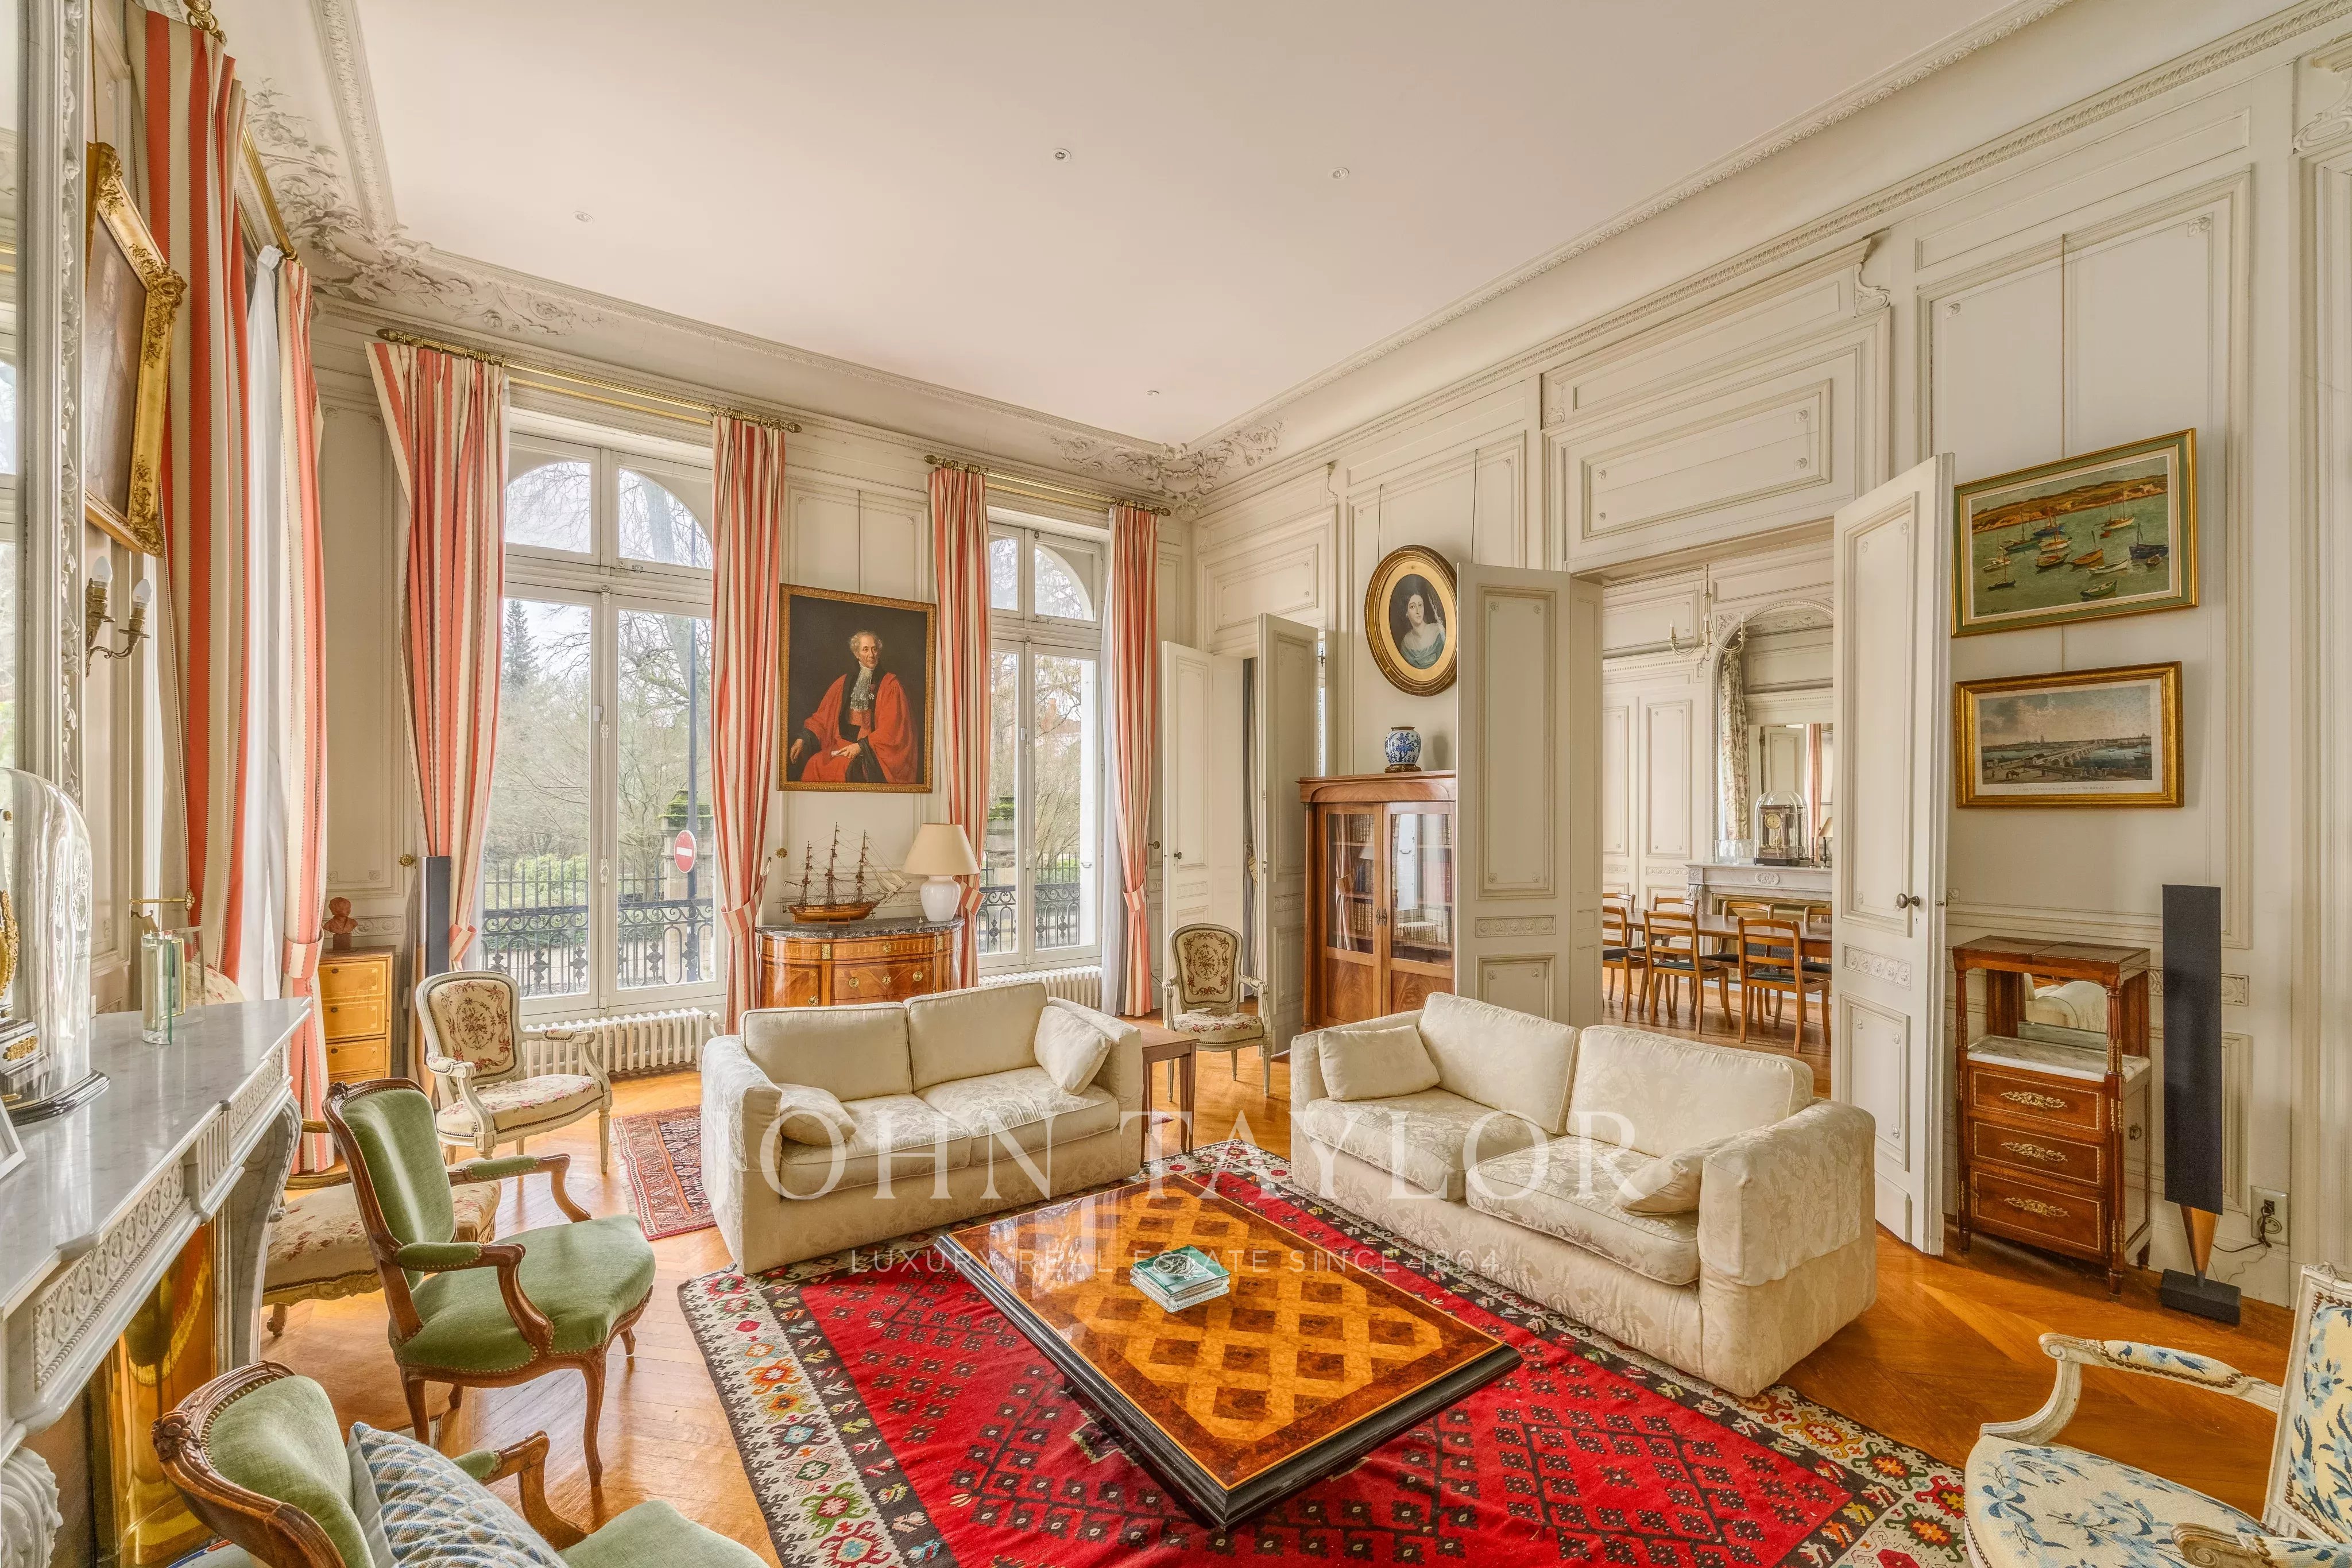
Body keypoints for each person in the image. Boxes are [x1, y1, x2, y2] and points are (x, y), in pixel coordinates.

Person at [791, 629, 919, 784]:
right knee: (815, 763)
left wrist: (861, 746)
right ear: (857, 654)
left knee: (842, 768)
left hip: (872, 751)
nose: (871, 654)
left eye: (874, 649)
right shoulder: (844, 683)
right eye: (865, 649)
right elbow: (823, 718)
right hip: (843, 745)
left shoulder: (890, 685)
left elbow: (892, 730)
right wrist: (803, 739)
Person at [1395, 576, 1447, 670]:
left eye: (1420, 605)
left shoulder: (1437, 631)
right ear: (1406, 612)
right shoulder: (1406, 642)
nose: (1418, 611)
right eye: (1412, 607)